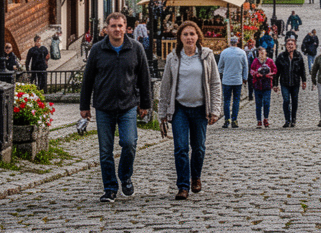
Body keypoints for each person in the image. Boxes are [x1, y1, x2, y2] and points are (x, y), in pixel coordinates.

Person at [80, 11, 152, 203]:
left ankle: (125, 177)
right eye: (113, 26)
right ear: (107, 28)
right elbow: (87, 79)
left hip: (128, 105)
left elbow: (144, 78)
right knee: (105, 151)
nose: (117, 29)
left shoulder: (135, 48)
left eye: (120, 26)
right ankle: (110, 188)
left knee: (129, 143)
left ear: (126, 27)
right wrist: (84, 105)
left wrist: (145, 104)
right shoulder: (97, 50)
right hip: (104, 106)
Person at [158, 20, 222, 201]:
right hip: (180, 109)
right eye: (185, 34)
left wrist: (215, 110)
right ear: (180, 37)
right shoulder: (173, 58)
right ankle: (183, 186)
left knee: (199, 148)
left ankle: (196, 177)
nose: (189, 38)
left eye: (192, 34)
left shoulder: (207, 56)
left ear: (197, 36)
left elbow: (215, 83)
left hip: (201, 109)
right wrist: (162, 113)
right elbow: (165, 87)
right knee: (180, 148)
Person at [275, 35, 308, 127]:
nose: (290, 46)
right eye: (288, 44)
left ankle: (293, 118)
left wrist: (304, 81)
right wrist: (275, 84)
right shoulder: (281, 57)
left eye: (292, 44)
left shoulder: (298, 56)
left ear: (295, 45)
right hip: (284, 82)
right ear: (286, 46)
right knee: (286, 100)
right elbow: (276, 72)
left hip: (295, 82)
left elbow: (302, 69)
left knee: (294, 101)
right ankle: (287, 119)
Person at [217, 36, 249, 129]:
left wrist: (223, 74)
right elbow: (245, 66)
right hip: (237, 80)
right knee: (236, 100)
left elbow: (220, 67)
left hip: (226, 80)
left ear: (230, 42)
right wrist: (245, 77)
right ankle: (234, 119)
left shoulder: (224, 52)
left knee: (226, 100)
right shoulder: (242, 52)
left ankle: (227, 119)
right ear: (237, 42)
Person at [250, 46, 277, 128]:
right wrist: (256, 74)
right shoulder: (255, 61)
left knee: (266, 102)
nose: (261, 55)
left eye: (263, 53)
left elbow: (275, 70)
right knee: (258, 104)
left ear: (266, 53)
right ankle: (259, 120)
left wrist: (270, 74)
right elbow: (251, 70)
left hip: (267, 84)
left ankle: (266, 118)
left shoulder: (270, 61)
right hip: (257, 84)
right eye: (260, 53)